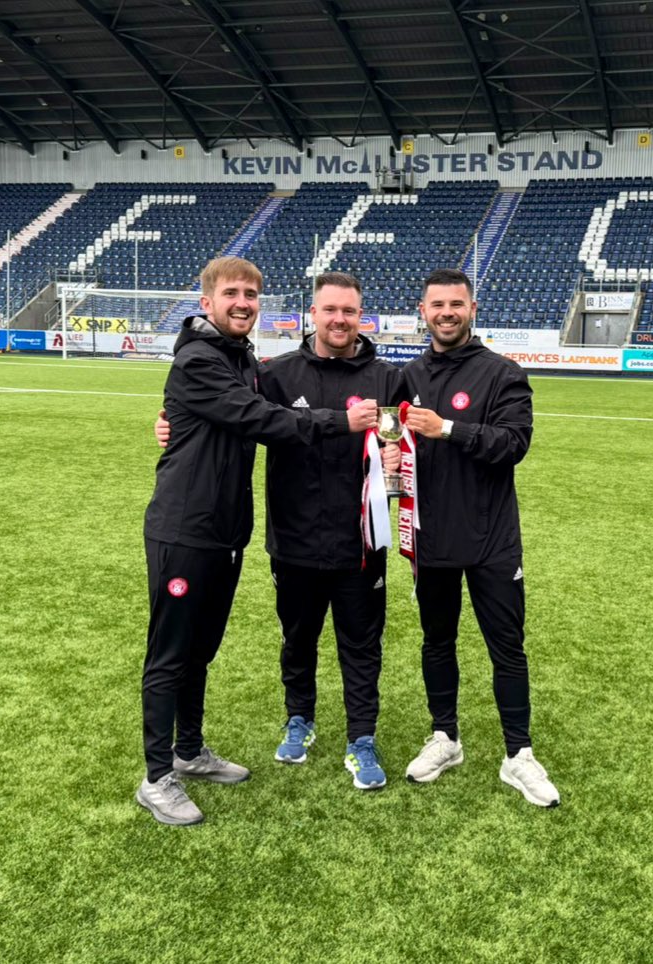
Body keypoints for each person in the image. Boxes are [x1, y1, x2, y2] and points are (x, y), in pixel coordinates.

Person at [138, 256, 378, 826]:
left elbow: (237, 411)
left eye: (251, 294)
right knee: (169, 655)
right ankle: (156, 777)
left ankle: (189, 750)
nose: (243, 302)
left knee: (200, 650)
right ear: (207, 302)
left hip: (224, 533)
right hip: (183, 529)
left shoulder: (240, 357)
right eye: (231, 294)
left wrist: (170, 420)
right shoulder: (199, 359)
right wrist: (338, 422)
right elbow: (261, 418)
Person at [398, 267, 560, 807]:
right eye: (436, 304)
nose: (446, 313)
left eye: (456, 304)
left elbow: (513, 444)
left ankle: (520, 755)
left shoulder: (503, 373)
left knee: (506, 648)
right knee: (436, 641)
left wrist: (446, 428)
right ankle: (445, 737)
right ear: (423, 310)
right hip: (433, 538)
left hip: (492, 541)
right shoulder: (410, 374)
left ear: (472, 309)